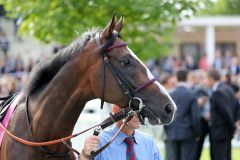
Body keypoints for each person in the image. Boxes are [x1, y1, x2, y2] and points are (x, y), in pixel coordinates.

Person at [79, 104, 162, 160]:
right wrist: (84, 155)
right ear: (115, 110)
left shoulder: (149, 142)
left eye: (141, 109)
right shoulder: (98, 142)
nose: (139, 115)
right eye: (133, 109)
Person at [164, 69, 201, 160]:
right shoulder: (191, 94)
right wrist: (198, 133)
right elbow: (195, 117)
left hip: (172, 133)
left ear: (176, 78)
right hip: (188, 133)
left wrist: (168, 131)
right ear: (187, 78)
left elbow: (165, 115)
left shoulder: (170, 94)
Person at [207, 69, 238, 160]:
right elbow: (236, 106)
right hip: (227, 132)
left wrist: (232, 126)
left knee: (219, 157)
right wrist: (235, 123)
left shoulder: (217, 92)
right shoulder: (229, 88)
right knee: (227, 156)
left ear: (211, 79)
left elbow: (225, 112)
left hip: (220, 133)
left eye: (206, 79)